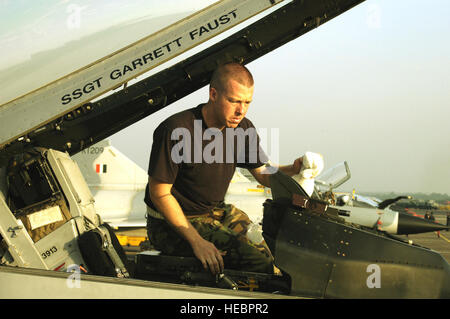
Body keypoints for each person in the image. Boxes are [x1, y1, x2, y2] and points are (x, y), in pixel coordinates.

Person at [144, 62, 304, 275]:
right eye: (234, 101)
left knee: (274, 255)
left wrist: (293, 168)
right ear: (213, 94)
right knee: (256, 262)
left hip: (213, 211)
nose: (241, 110)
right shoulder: (177, 130)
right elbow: (160, 194)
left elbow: (264, 174)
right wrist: (197, 242)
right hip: (170, 224)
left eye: (247, 102)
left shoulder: (242, 129)